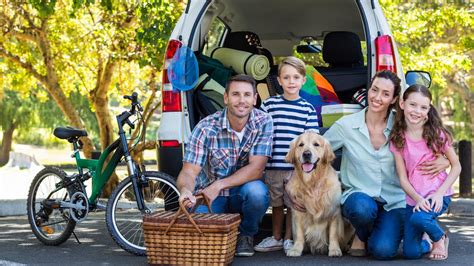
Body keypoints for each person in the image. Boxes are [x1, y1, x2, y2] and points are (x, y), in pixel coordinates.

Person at [319, 70, 449, 260]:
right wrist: (295, 180)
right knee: (361, 209)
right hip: (360, 197)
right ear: (368, 90)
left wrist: (443, 159)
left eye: (386, 94)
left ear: (395, 99)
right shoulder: (346, 126)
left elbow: (433, 143)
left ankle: (422, 237)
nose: (377, 98)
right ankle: (361, 234)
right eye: (374, 90)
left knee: (383, 251)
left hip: (395, 200)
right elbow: (316, 150)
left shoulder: (403, 126)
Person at [176, 74, 273, 257]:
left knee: (257, 193)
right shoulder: (205, 127)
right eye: (236, 94)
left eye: (247, 95)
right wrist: (186, 190)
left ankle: (246, 234)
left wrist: (218, 185)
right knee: (201, 233)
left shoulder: (264, 122)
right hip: (210, 198)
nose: (241, 100)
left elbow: (256, 169)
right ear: (226, 98)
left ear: (255, 99)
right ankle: (223, 231)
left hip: (240, 192)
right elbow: (189, 171)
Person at [254, 57, 320, 253]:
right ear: (279, 80)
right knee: (276, 203)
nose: (291, 81)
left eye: (296, 77)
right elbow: (261, 134)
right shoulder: (269, 105)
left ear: (303, 80)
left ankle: (290, 238)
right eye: (286, 77)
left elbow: (310, 142)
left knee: (294, 204)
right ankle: (275, 237)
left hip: (296, 169)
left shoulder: (307, 109)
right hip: (273, 166)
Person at [389, 84, 461, 260]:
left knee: (420, 219)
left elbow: (456, 166)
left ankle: (439, 238)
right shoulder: (398, 138)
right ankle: (427, 241)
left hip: (438, 195)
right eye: (413, 105)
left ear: (428, 110)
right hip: (414, 199)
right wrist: (418, 199)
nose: (417, 111)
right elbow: (403, 178)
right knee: (410, 253)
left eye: (423, 107)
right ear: (402, 103)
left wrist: (439, 194)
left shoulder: (437, 134)